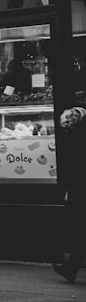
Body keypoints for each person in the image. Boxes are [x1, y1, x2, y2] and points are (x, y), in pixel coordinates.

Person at [53, 106, 86, 283]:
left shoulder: (73, 139)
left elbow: (73, 169)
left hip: (79, 190)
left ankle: (71, 269)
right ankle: (70, 268)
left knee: (81, 230)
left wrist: (67, 191)